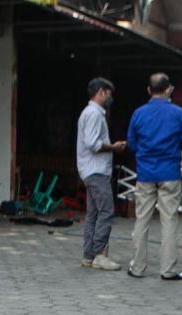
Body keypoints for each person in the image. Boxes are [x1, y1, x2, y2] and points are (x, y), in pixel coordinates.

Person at [125, 72, 182, 280]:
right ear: (168, 90)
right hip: (170, 174)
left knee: (142, 220)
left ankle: (137, 268)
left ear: (148, 90)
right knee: (169, 221)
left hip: (145, 173)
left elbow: (132, 143)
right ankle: (168, 270)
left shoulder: (138, 113)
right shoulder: (178, 114)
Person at [76, 77, 127, 271]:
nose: (110, 98)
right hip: (96, 171)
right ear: (100, 92)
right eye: (109, 94)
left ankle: (88, 255)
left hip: (90, 170)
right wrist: (114, 147)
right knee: (106, 211)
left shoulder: (89, 113)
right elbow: (93, 144)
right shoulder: (94, 114)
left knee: (93, 214)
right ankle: (99, 254)